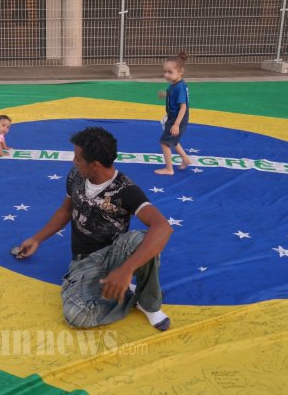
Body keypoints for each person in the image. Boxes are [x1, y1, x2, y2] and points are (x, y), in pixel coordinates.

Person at [16, 127, 173, 331]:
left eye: (78, 158)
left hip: (116, 254)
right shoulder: (76, 176)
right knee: (76, 316)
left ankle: (148, 302)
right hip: (83, 264)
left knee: (145, 239)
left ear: (95, 164)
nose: (74, 161)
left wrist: (126, 269)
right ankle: (130, 295)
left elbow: (163, 227)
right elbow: (66, 210)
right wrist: (37, 239)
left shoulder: (126, 190)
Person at [155, 52, 192, 175]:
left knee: (164, 142)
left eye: (170, 72)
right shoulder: (175, 85)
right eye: (165, 71)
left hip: (178, 118)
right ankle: (185, 159)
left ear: (181, 72)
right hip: (173, 117)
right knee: (173, 140)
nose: (166, 75)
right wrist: (165, 95)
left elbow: (183, 107)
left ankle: (169, 169)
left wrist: (176, 124)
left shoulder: (180, 87)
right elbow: (173, 96)